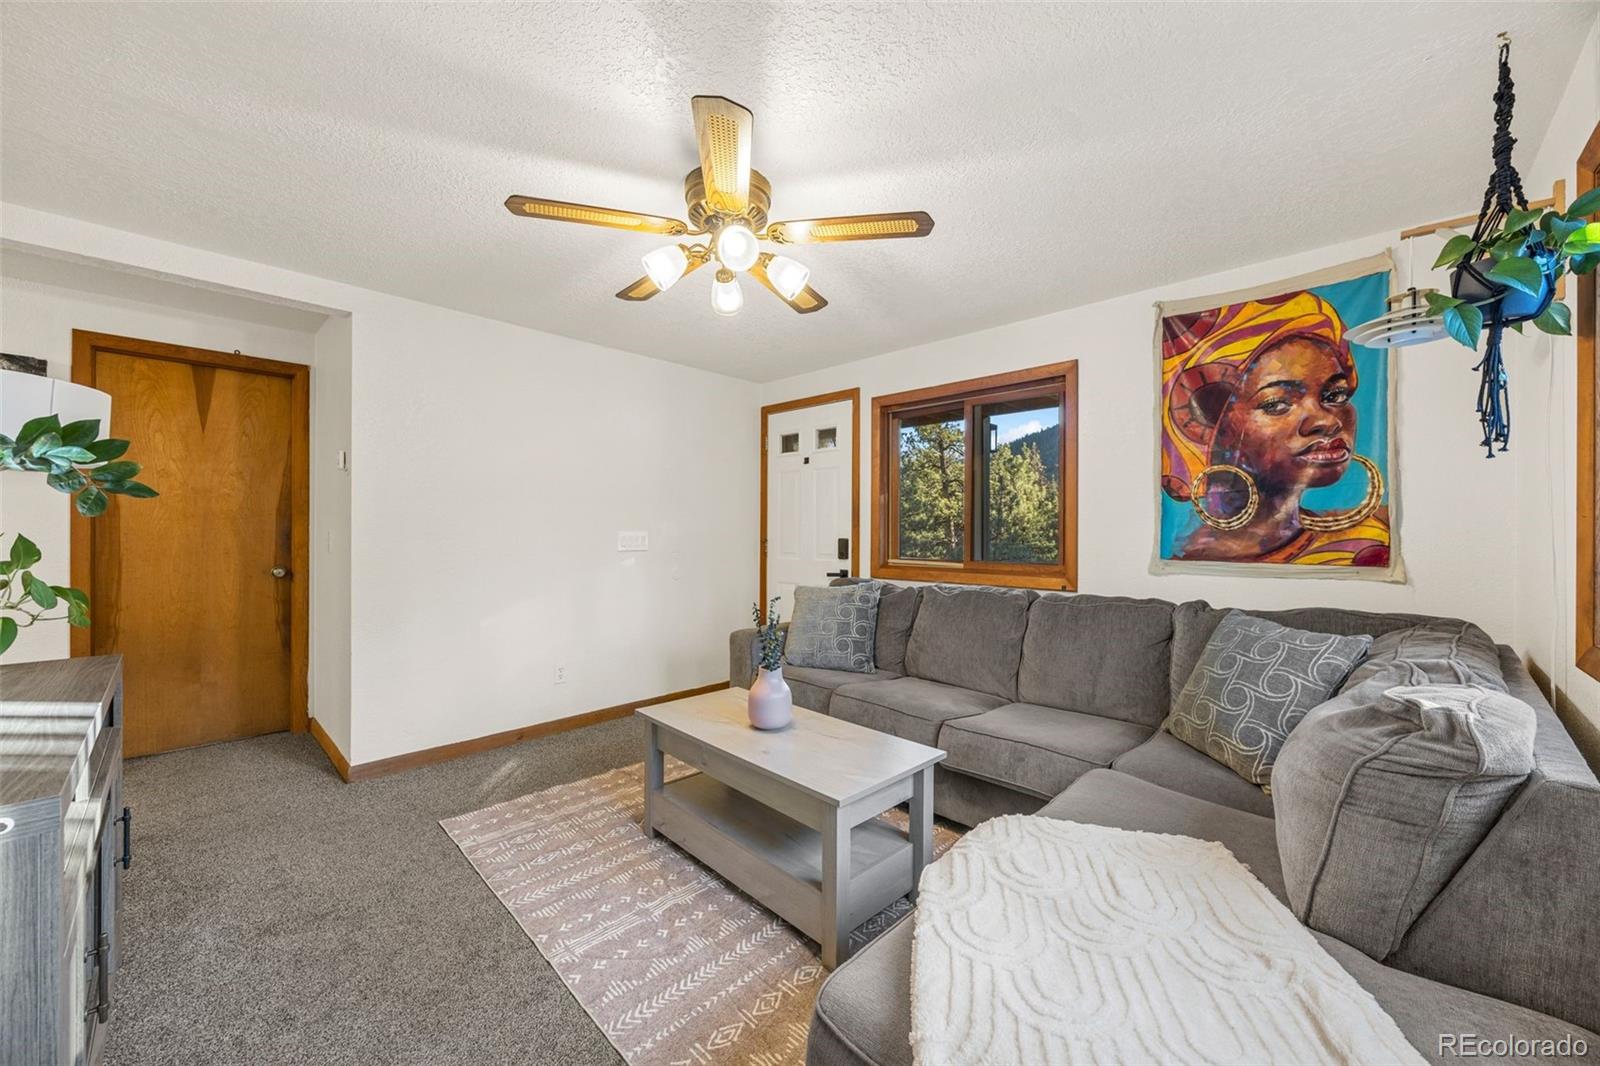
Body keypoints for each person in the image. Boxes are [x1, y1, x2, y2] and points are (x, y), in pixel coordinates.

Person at [1160, 291, 1389, 567]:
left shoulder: (1376, 536)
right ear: (1215, 429)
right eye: (1277, 403)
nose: (1328, 421)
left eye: (1335, 395)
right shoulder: (1181, 560)